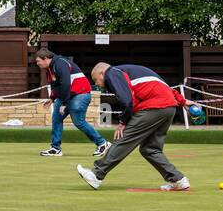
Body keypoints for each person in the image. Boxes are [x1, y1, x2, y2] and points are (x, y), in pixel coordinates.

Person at [76, 62, 190, 191]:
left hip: (153, 107)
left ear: (102, 73)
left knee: (124, 139)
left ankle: (96, 174)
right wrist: (183, 101)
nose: (96, 84)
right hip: (169, 108)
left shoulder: (112, 73)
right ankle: (178, 180)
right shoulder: (133, 71)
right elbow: (164, 86)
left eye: (96, 79)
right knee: (150, 149)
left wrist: (122, 123)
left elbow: (127, 100)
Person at [33, 48, 108, 158]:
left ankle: (102, 143)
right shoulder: (49, 69)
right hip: (68, 95)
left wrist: (63, 103)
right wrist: (52, 98)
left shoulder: (60, 63)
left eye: (38, 61)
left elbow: (66, 84)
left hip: (80, 93)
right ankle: (55, 148)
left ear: (45, 59)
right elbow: (56, 86)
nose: (37, 63)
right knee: (56, 118)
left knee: (78, 121)